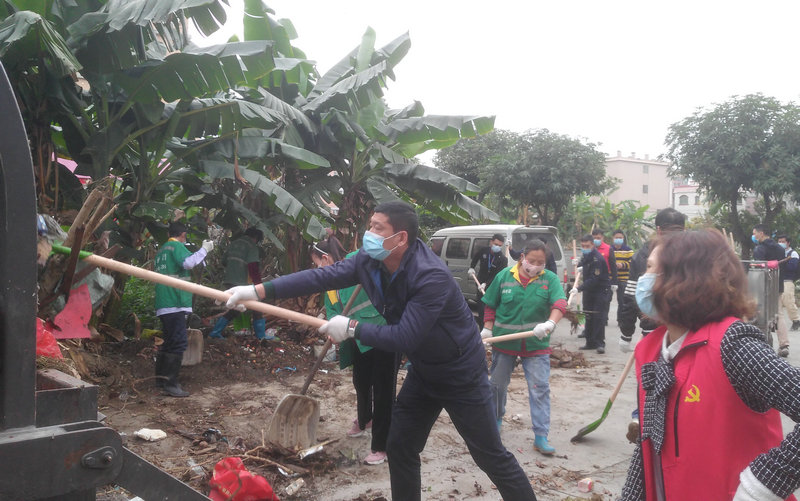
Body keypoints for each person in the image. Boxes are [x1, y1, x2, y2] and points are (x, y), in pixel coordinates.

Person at [224, 201, 537, 501]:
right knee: (400, 446)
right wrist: (259, 291)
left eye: (376, 227)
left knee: (489, 455)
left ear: (400, 237)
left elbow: (405, 337)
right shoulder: (368, 260)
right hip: (424, 372)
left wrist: (352, 328)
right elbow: (321, 276)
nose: (368, 233)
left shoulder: (430, 276)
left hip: (460, 374)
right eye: (369, 225)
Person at [620, 229, 800, 501]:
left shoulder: (733, 344)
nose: (642, 282)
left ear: (686, 281)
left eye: (651, 271)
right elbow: (649, 442)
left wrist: (765, 482)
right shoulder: (653, 350)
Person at [311, 235, 395, 466]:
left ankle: (382, 445)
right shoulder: (329, 282)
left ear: (325, 258)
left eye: (317, 263)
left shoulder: (356, 261)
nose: (316, 268)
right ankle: (365, 419)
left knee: (383, 390)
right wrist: (331, 328)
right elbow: (331, 309)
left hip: (382, 333)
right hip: (356, 338)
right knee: (361, 381)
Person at [481, 239, 567, 455]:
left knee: (539, 388)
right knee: (497, 386)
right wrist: (488, 328)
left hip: (536, 344)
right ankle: (495, 422)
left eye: (541, 262)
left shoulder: (549, 280)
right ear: (522, 258)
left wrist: (550, 323)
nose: (536, 265)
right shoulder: (504, 277)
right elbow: (491, 304)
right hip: (504, 342)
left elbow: (559, 304)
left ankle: (541, 436)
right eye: (532, 260)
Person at [618, 208, 685, 443]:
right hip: (685, 331)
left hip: (654, 331)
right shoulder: (696, 251)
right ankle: (661, 423)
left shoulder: (646, 252)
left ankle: (644, 419)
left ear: (658, 229)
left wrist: (626, 332)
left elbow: (629, 296)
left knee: (650, 379)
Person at [154, 222, 214, 397]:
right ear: (183, 234)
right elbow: (188, 263)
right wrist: (204, 250)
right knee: (179, 342)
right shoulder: (176, 246)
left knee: (169, 342)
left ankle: (161, 380)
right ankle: (171, 384)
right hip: (175, 302)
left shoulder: (162, 250)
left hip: (164, 303)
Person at [208, 228, 268, 340]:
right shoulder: (252, 246)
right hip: (242, 284)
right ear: (256, 238)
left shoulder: (234, 244)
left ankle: (215, 332)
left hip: (229, 281)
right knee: (257, 307)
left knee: (235, 309)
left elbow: (224, 261)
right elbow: (253, 267)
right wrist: (260, 286)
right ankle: (261, 337)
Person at [753, 223, 788, 356]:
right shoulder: (780, 248)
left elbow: (758, 268)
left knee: (762, 314)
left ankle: (764, 343)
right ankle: (784, 344)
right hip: (778, 285)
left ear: (761, 233)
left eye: (755, 233)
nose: (754, 235)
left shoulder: (760, 249)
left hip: (763, 286)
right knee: (779, 313)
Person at [576, 234, 611, 353]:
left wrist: (579, 288)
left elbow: (594, 279)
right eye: (583, 246)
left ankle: (600, 343)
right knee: (587, 315)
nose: (584, 247)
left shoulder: (598, 259)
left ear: (592, 245)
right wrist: (579, 265)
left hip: (600, 290)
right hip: (589, 291)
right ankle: (589, 342)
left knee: (598, 317)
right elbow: (583, 265)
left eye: (587, 246)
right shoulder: (586, 256)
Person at [469, 233, 508, 325]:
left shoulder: (502, 259)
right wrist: (472, 268)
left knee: (489, 308)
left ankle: (490, 326)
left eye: (499, 245)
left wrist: (486, 284)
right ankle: (482, 327)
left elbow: (498, 275)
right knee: (481, 307)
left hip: (492, 285)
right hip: (479, 283)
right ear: (491, 242)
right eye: (495, 244)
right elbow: (475, 258)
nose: (497, 247)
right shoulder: (484, 251)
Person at [777, 235, 800, 335]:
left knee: (788, 301)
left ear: (788, 243)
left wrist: (781, 263)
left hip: (787, 280)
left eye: (783, 241)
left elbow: (792, 267)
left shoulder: (793, 253)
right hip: (777, 280)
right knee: (777, 303)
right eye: (779, 241)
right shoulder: (778, 253)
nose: (781, 243)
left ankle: (796, 320)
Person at [612, 230, 634, 325]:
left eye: (620, 238)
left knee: (622, 301)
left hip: (623, 279)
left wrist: (623, 265)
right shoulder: (610, 249)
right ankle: (604, 320)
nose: (618, 239)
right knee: (606, 300)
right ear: (613, 238)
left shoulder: (628, 250)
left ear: (623, 239)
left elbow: (633, 262)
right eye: (616, 238)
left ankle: (620, 320)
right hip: (611, 279)